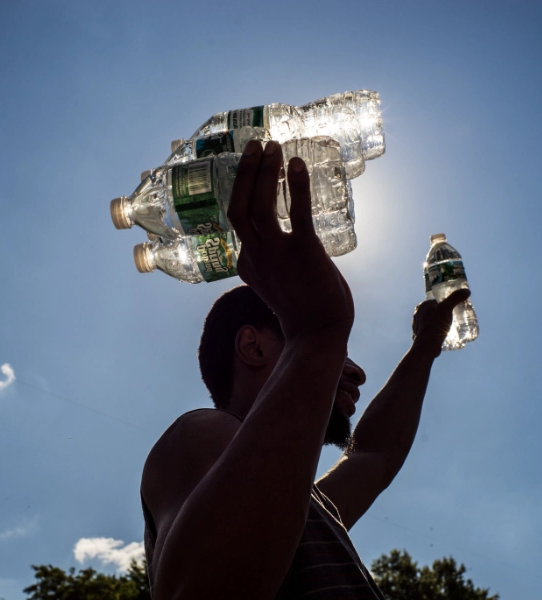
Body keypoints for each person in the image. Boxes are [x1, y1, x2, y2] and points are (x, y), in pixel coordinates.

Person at [139, 140, 470, 599]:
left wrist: (426, 346)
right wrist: (317, 335)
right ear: (253, 347)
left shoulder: (301, 507)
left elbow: (374, 454)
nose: (356, 372)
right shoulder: (201, 432)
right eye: (341, 355)